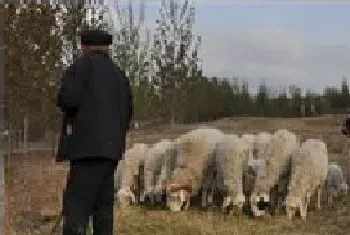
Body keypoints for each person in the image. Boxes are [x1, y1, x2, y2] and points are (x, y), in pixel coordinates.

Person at [56, 29, 133, 235]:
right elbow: (127, 113)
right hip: (112, 153)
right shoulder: (119, 74)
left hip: (86, 151)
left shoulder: (81, 67)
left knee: (76, 210)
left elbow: (67, 99)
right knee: (103, 210)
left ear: (85, 46)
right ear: (107, 47)